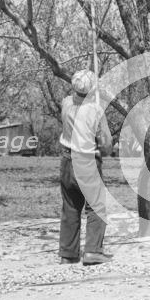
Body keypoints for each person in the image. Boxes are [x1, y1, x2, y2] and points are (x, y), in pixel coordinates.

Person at [58, 69, 113, 265]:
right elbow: (106, 144)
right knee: (96, 207)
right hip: (87, 162)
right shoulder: (96, 110)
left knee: (71, 207)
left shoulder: (65, 103)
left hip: (67, 161)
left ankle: (68, 253)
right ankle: (93, 251)